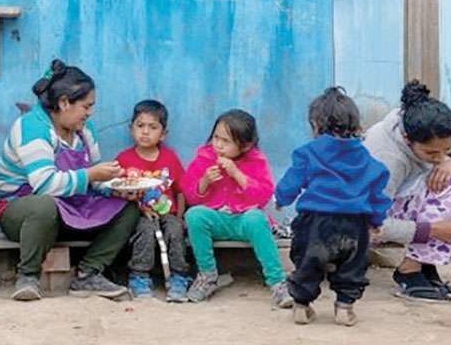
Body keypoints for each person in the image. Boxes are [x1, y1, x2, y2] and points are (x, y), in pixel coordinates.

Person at [0, 59, 139, 301]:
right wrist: (91, 175)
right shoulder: (32, 127)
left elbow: (94, 178)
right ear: (64, 103)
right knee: (44, 206)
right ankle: (28, 275)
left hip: (72, 206)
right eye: (86, 106)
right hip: (24, 212)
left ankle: (88, 273)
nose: (89, 113)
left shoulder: (85, 130)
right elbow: (45, 184)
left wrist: (115, 188)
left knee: (129, 208)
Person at [364, 80, 451, 302]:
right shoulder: (388, 157)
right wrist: (431, 230)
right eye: (431, 153)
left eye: (446, 150)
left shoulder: (439, 132)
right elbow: (371, 222)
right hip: (359, 223)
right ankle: (409, 270)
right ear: (408, 139)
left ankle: (425, 262)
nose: (440, 157)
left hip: (399, 203)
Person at [274, 87, 392, 327]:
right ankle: (344, 308)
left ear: (316, 126)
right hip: (355, 224)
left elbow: (293, 180)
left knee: (307, 262)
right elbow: (377, 193)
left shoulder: (308, 153)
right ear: (356, 126)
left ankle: (301, 306)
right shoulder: (367, 159)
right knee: (353, 266)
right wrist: (376, 221)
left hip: (315, 222)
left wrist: (281, 199)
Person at [180, 109, 290, 306]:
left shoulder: (256, 161)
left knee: (257, 218)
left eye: (226, 141)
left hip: (243, 220)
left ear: (245, 145)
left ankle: (277, 282)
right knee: (194, 215)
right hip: (216, 219)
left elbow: (263, 196)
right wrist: (204, 181)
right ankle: (207, 276)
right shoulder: (204, 157)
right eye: (216, 138)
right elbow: (189, 194)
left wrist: (237, 174)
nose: (218, 145)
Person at [114, 99, 190, 301]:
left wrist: (180, 217)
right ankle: (139, 276)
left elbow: (180, 191)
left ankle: (179, 276)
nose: (145, 132)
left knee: (174, 230)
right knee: (145, 230)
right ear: (131, 129)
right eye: (140, 126)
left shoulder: (170, 158)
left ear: (163, 134)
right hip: (138, 214)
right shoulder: (124, 159)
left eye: (153, 127)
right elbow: (117, 191)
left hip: (168, 213)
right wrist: (139, 209)